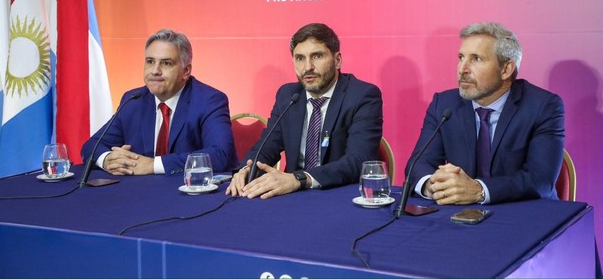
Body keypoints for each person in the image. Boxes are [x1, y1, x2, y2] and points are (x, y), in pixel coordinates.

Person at [406, 22, 565, 205]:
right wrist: (432, 185)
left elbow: (540, 180)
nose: (462, 69)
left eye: (476, 59)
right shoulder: (443, 105)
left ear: (506, 69)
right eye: (461, 57)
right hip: (460, 213)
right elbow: (418, 164)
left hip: (524, 212)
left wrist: (479, 190)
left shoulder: (542, 106)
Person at [227, 23, 383, 199]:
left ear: (337, 60)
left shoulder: (362, 96)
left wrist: (300, 179)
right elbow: (266, 147)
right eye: (300, 58)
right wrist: (246, 169)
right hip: (292, 197)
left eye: (317, 56)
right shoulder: (288, 95)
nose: (307, 67)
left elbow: (358, 161)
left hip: (339, 195)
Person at [81, 29, 237, 175]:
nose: (155, 71)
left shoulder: (209, 101)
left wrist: (152, 165)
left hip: (189, 191)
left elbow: (220, 155)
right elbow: (91, 146)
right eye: (150, 61)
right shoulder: (133, 100)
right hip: (141, 191)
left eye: (166, 63)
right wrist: (108, 159)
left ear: (186, 71)